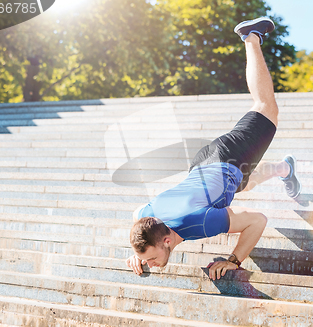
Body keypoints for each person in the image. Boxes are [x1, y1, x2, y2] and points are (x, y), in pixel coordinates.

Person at [126, 17, 301, 281]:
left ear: (165, 240)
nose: (149, 264)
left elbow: (258, 220)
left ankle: (251, 36)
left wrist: (233, 261)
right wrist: (138, 254)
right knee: (243, 182)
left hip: (227, 157)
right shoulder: (148, 218)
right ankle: (285, 169)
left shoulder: (203, 222)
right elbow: (137, 214)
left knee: (265, 107)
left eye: (149, 258)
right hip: (206, 169)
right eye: (146, 259)